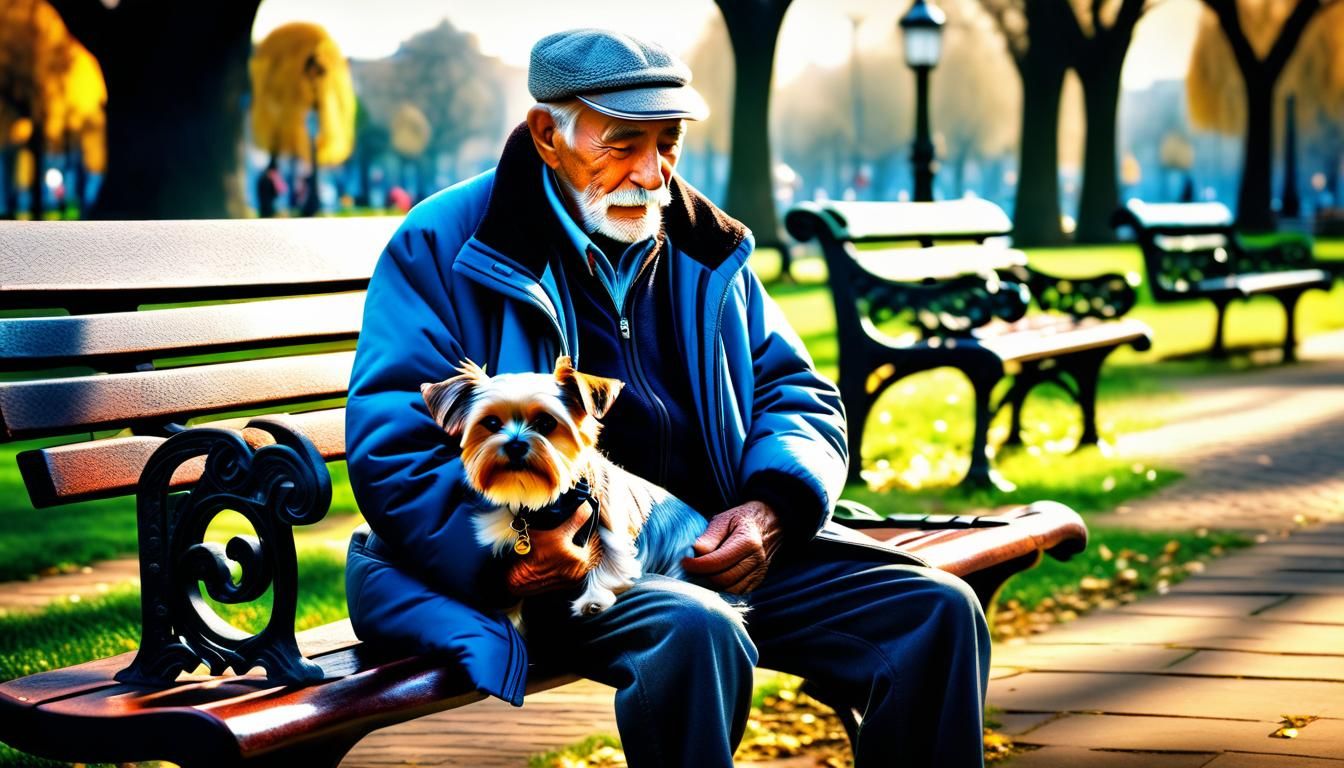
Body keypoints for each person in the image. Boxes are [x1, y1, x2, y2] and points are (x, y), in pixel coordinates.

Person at [344, 28, 990, 768]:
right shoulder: (444, 242)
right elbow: (391, 442)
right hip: (564, 571)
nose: (652, 174)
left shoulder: (702, 241)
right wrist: (517, 552)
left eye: (668, 144)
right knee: (697, 629)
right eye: (623, 143)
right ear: (547, 136)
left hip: (710, 544)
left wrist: (772, 507)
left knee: (937, 613)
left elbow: (795, 389)